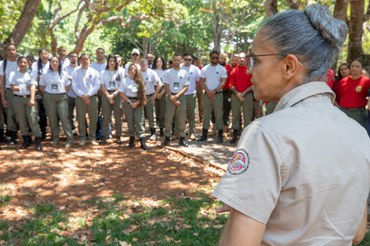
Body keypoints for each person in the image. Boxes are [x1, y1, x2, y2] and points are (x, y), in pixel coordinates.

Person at [213, 4, 369, 245]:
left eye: (255, 59)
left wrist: (239, 211)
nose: (250, 70)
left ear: (288, 66)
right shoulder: (359, 135)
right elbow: (357, 233)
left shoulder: (265, 133)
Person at [39, 56, 74, 148]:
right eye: (53, 61)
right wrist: (49, 93)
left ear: (59, 63)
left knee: (64, 118)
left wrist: (60, 92)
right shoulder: (45, 73)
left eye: (56, 61)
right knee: (52, 118)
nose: (54, 63)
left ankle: (70, 139)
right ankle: (55, 138)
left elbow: (67, 86)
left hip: (62, 97)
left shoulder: (64, 73)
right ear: (50, 63)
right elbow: (42, 86)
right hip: (49, 97)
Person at [9, 56, 43, 151]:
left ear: (27, 64)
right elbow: (12, 88)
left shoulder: (31, 73)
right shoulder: (13, 73)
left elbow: (33, 87)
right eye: (21, 62)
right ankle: (26, 139)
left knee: (33, 119)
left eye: (25, 62)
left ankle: (37, 140)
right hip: (17, 99)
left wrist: (32, 99)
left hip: (29, 99)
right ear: (18, 63)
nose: (23, 64)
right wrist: (26, 87)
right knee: (21, 120)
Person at [198, 50, 227, 143]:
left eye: (216, 57)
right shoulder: (205, 69)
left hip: (217, 95)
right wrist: (208, 91)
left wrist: (214, 91)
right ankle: (204, 134)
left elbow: (223, 82)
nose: (214, 59)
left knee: (219, 115)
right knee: (206, 115)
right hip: (207, 95)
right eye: (213, 57)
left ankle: (220, 135)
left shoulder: (222, 69)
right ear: (210, 58)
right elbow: (201, 81)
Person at [72, 54, 100, 146]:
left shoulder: (95, 72)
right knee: (80, 119)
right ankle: (82, 138)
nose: (85, 61)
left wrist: (88, 95)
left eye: (86, 59)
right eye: (83, 59)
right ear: (80, 61)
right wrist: (82, 95)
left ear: (89, 60)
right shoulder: (76, 72)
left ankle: (92, 138)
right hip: (80, 98)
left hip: (92, 98)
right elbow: (74, 86)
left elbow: (97, 85)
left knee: (93, 118)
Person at [162, 54, 189, 147]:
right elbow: (165, 85)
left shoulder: (184, 72)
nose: (177, 62)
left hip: (180, 96)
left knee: (181, 118)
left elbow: (186, 86)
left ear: (180, 61)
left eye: (178, 60)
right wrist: (171, 97)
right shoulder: (168, 72)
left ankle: (182, 138)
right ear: (172, 61)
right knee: (168, 118)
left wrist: (177, 96)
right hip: (170, 96)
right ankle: (167, 137)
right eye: (175, 60)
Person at [119, 63, 148, 150]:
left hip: (138, 102)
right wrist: (129, 102)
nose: (133, 71)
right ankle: (131, 140)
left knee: (139, 120)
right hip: (128, 102)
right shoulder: (124, 80)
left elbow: (143, 93)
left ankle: (143, 142)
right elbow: (121, 92)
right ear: (128, 71)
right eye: (131, 69)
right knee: (130, 121)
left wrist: (137, 102)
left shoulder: (140, 81)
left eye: (135, 70)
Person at [336, 59, 370, 127]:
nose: (354, 68)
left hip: (358, 113)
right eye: (352, 66)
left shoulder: (366, 81)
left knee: (357, 133)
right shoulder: (343, 81)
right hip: (343, 111)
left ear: (362, 69)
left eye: (357, 66)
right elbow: (339, 96)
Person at [99, 54, 124, 144]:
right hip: (106, 94)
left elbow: (122, 85)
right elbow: (102, 85)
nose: (112, 63)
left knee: (118, 116)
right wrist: (108, 96)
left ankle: (118, 136)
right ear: (108, 62)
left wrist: (113, 95)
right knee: (106, 116)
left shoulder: (120, 72)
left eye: (114, 61)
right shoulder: (103, 72)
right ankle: (104, 136)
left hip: (117, 94)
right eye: (110, 61)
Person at [229, 52, 253, 144]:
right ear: (238, 59)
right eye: (240, 58)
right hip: (236, 95)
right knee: (235, 115)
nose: (242, 60)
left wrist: (243, 93)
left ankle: (246, 136)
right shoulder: (233, 71)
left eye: (243, 58)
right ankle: (235, 135)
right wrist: (238, 94)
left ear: (246, 59)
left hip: (247, 95)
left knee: (247, 115)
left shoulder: (250, 71)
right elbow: (231, 84)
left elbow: (252, 85)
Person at [0, 43, 19, 145]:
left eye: (13, 49)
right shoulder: (2, 64)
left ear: (16, 50)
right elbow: (2, 82)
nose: (11, 51)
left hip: (21, 91)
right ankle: (12, 136)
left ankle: (22, 133)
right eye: (9, 49)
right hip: (9, 92)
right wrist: (3, 98)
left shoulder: (20, 62)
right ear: (6, 51)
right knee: (10, 114)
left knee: (19, 114)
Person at [139, 58, 162, 140]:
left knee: (151, 115)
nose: (143, 65)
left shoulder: (152, 72)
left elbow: (159, 83)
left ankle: (153, 133)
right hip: (140, 97)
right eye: (141, 64)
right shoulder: (137, 72)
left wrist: (155, 95)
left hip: (149, 96)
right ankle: (141, 133)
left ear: (147, 65)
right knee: (140, 115)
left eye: (144, 64)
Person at [31, 48, 50, 140]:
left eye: (46, 53)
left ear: (48, 54)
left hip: (51, 91)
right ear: (39, 55)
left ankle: (54, 132)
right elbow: (35, 78)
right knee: (40, 112)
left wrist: (42, 78)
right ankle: (42, 132)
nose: (44, 55)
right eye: (42, 54)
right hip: (39, 91)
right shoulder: (35, 65)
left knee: (51, 111)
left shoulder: (52, 63)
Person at [181, 54, 201, 140]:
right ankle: (181, 132)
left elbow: (200, 80)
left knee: (191, 114)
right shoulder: (179, 68)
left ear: (191, 60)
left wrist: (194, 89)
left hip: (191, 94)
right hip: (181, 94)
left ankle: (192, 132)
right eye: (186, 59)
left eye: (189, 59)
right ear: (182, 59)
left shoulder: (195, 69)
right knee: (181, 114)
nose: (187, 61)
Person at [220, 53, 238, 132]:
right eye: (221, 58)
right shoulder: (215, 67)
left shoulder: (229, 68)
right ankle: (215, 128)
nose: (223, 60)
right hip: (216, 92)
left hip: (226, 92)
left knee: (226, 110)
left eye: (224, 58)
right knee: (216, 111)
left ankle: (225, 129)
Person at [64, 52, 79, 133]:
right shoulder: (65, 69)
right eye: (72, 56)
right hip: (69, 94)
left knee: (80, 115)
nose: (73, 58)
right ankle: (71, 130)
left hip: (79, 95)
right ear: (69, 58)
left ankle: (83, 132)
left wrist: (71, 78)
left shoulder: (80, 68)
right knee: (69, 114)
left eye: (75, 56)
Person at [152, 56, 167, 137]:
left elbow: (166, 84)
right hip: (153, 91)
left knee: (162, 111)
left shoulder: (166, 72)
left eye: (160, 61)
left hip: (163, 91)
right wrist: (155, 93)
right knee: (154, 111)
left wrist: (161, 94)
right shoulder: (152, 71)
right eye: (157, 61)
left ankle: (161, 128)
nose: (159, 63)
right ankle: (154, 129)